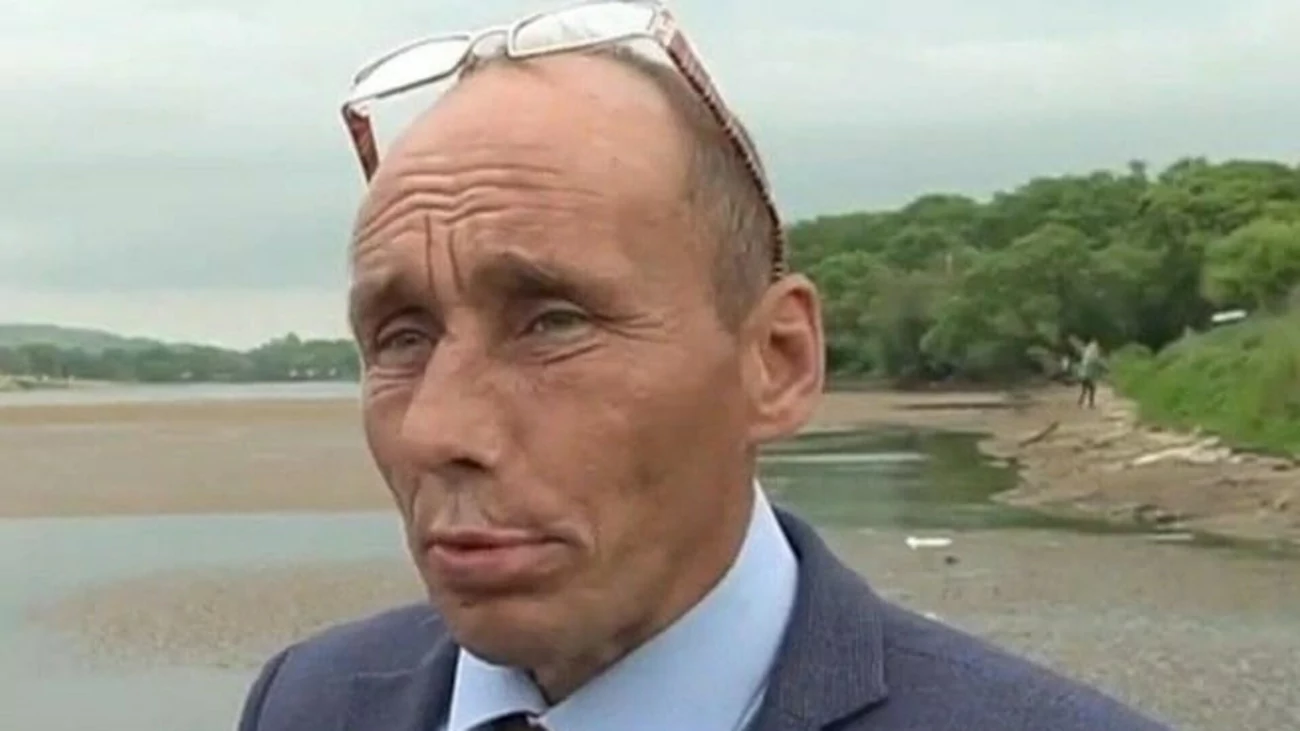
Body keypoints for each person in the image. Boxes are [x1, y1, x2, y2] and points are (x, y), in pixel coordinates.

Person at [238, 3, 1168, 729]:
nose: (437, 429)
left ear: (777, 361)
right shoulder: (309, 703)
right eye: (402, 337)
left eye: (552, 323)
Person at [1077, 339, 1104, 408]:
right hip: (1087, 376)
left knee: (1084, 390)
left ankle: (1080, 402)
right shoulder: (1094, 356)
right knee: (1092, 389)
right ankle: (1090, 404)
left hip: (1082, 375)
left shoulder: (1086, 355)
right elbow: (1100, 364)